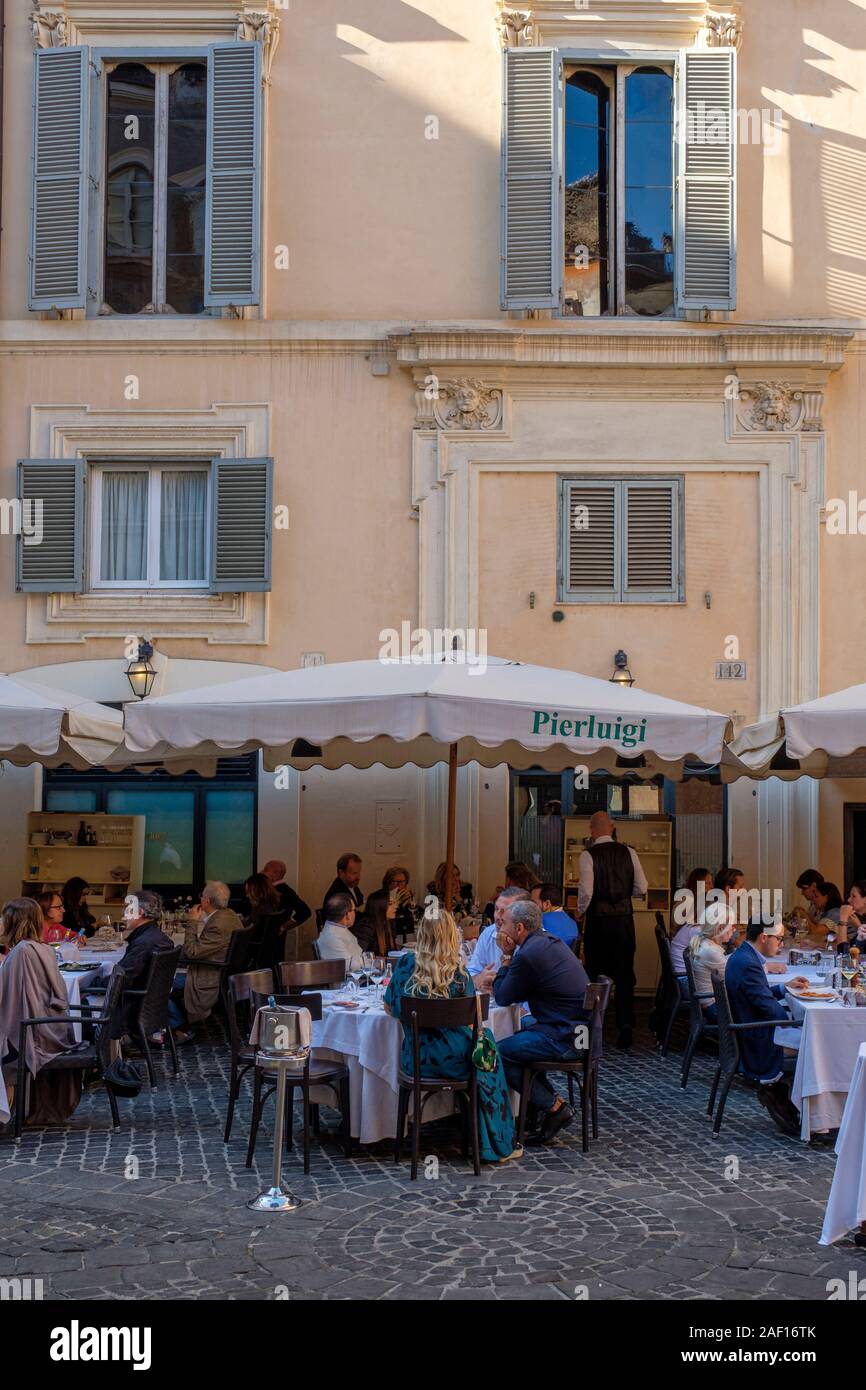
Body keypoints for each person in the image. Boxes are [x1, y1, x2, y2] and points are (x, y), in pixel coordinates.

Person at [383, 907, 520, 1164]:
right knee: (489, 1051)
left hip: (417, 1059)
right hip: (458, 1063)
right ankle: (495, 1142)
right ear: (450, 937)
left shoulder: (404, 965)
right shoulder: (459, 974)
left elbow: (390, 1007)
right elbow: (470, 1024)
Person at [494, 899, 590, 1146]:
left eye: (505, 923)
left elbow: (504, 996)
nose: (500, 928)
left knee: (499, 1053)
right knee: (520, 1027)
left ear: (519, 929)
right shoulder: (549, 942)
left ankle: (554, 1107)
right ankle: (535, 1107)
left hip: (565, 1037)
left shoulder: (528, 954)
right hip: (577, 1030)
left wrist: (505, 958)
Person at [0, 897, 82, 1125]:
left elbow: (10, 1000)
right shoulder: (40, 948)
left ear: (14, 921)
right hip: (51, 1029)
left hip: (33, 1034)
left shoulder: (22, 952)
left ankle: (4, 1117)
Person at [725, 920, 809, 1137]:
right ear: (764, 937)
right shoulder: (748, 963)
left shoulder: (744, 955)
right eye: (779, 939)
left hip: (750, 1030)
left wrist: (783, 988)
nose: (781, 944)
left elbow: (759, 995)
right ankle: (811, 1114)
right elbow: (773, 1013)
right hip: (759, 1038)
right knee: (819, 1044)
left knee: (812, 1035)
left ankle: (792, 1096)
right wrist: (791, 1018)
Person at [577, 810, 647, 1048]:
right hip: (625, 921)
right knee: (625, 975)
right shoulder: (630, 852)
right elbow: (642, 887)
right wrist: (625, 895)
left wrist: (580, 910)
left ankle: (594, 1027)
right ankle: (625, 1027)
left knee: (595, 975)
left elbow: (586, 891)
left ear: (591, 829)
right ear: (613, 827)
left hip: (599, 922)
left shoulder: (588, 855)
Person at [176, 882, 246, 1043]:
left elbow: (192, 952)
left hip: (210, 975)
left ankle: (180, 1027)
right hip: (224, 971)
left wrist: (192, 921)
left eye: (201, 896)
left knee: (162, 983)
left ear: (206, 901)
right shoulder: (230, 915)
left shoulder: (218, 925)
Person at [112, 890, 174, 1040]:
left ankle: (92, 1056)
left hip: (131, 1009)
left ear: (139, 912)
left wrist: (92, 983)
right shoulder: (159, 938)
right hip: (152, 1009)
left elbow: (121, 979)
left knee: (81, 1002)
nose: (124, 914)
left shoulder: (143, 943)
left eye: (127, 909)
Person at [688, 902, 736, 1023]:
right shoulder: (711, 951)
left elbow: (725, 964)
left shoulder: (705, 943)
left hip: (709, 1004)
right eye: (732, 926)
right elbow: (734, 979)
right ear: (721, 928)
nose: (734, 930)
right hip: (714, 1009)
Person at [467, 887, 530, 979]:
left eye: (504, 911)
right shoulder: (488, 933)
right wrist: (478, 980)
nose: (497, 916)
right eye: (496, 909)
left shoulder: (534, 941)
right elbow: (472, 971)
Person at [670, 867, 713, 990]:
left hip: (683, 956)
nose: (711, 887)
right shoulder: (690, 904)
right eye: (708, 883)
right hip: (686, 965)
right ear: (698, 884)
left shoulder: (691, 900)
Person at [244, 872, 286, 973]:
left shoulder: (260, 910)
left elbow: (249, 932)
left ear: (257, 891)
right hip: (267, 955)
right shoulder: (272, 907)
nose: (247, 895)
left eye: (249, 892)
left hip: (252, 953)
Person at [363, 866, 415, 943]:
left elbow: (412, 918)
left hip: (405, 935)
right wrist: (396, 901)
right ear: (388, 883)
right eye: (396, 882)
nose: (399, 885)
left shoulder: (406, 895)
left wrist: (411, 904)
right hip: (382, 936)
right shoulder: (379, 897)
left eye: (402, 882)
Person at [318, 891, 364, 971]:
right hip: (347, 981)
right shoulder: (332, 937)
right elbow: (350, 966)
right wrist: (373, 961)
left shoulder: (338, 929)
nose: (355, 913)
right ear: (347, 914)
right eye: (354, 910)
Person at [260, 860, 311, 930]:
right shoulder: (285, 890)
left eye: (265, 870)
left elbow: (305, 911)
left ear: (275, 874)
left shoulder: (283, 892)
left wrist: (284, 927)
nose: (261, 872)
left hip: (268, 935)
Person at [532, 882, 578, 949]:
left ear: (547, 904)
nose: (530, 906)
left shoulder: (538, 922)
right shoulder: (572, 923)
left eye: (533, 903)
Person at [356, 892, 398, 958]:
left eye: (394, 903)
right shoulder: (366, 926)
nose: (395, 906)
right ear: (379, 906)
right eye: (390, 904)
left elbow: (392, 952)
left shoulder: (389, 924)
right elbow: (362, 955)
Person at [838, 881, 866, 950]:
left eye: (853, 896)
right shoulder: (859, 919)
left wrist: (843, 919)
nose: (848, 900)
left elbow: (844, 955)